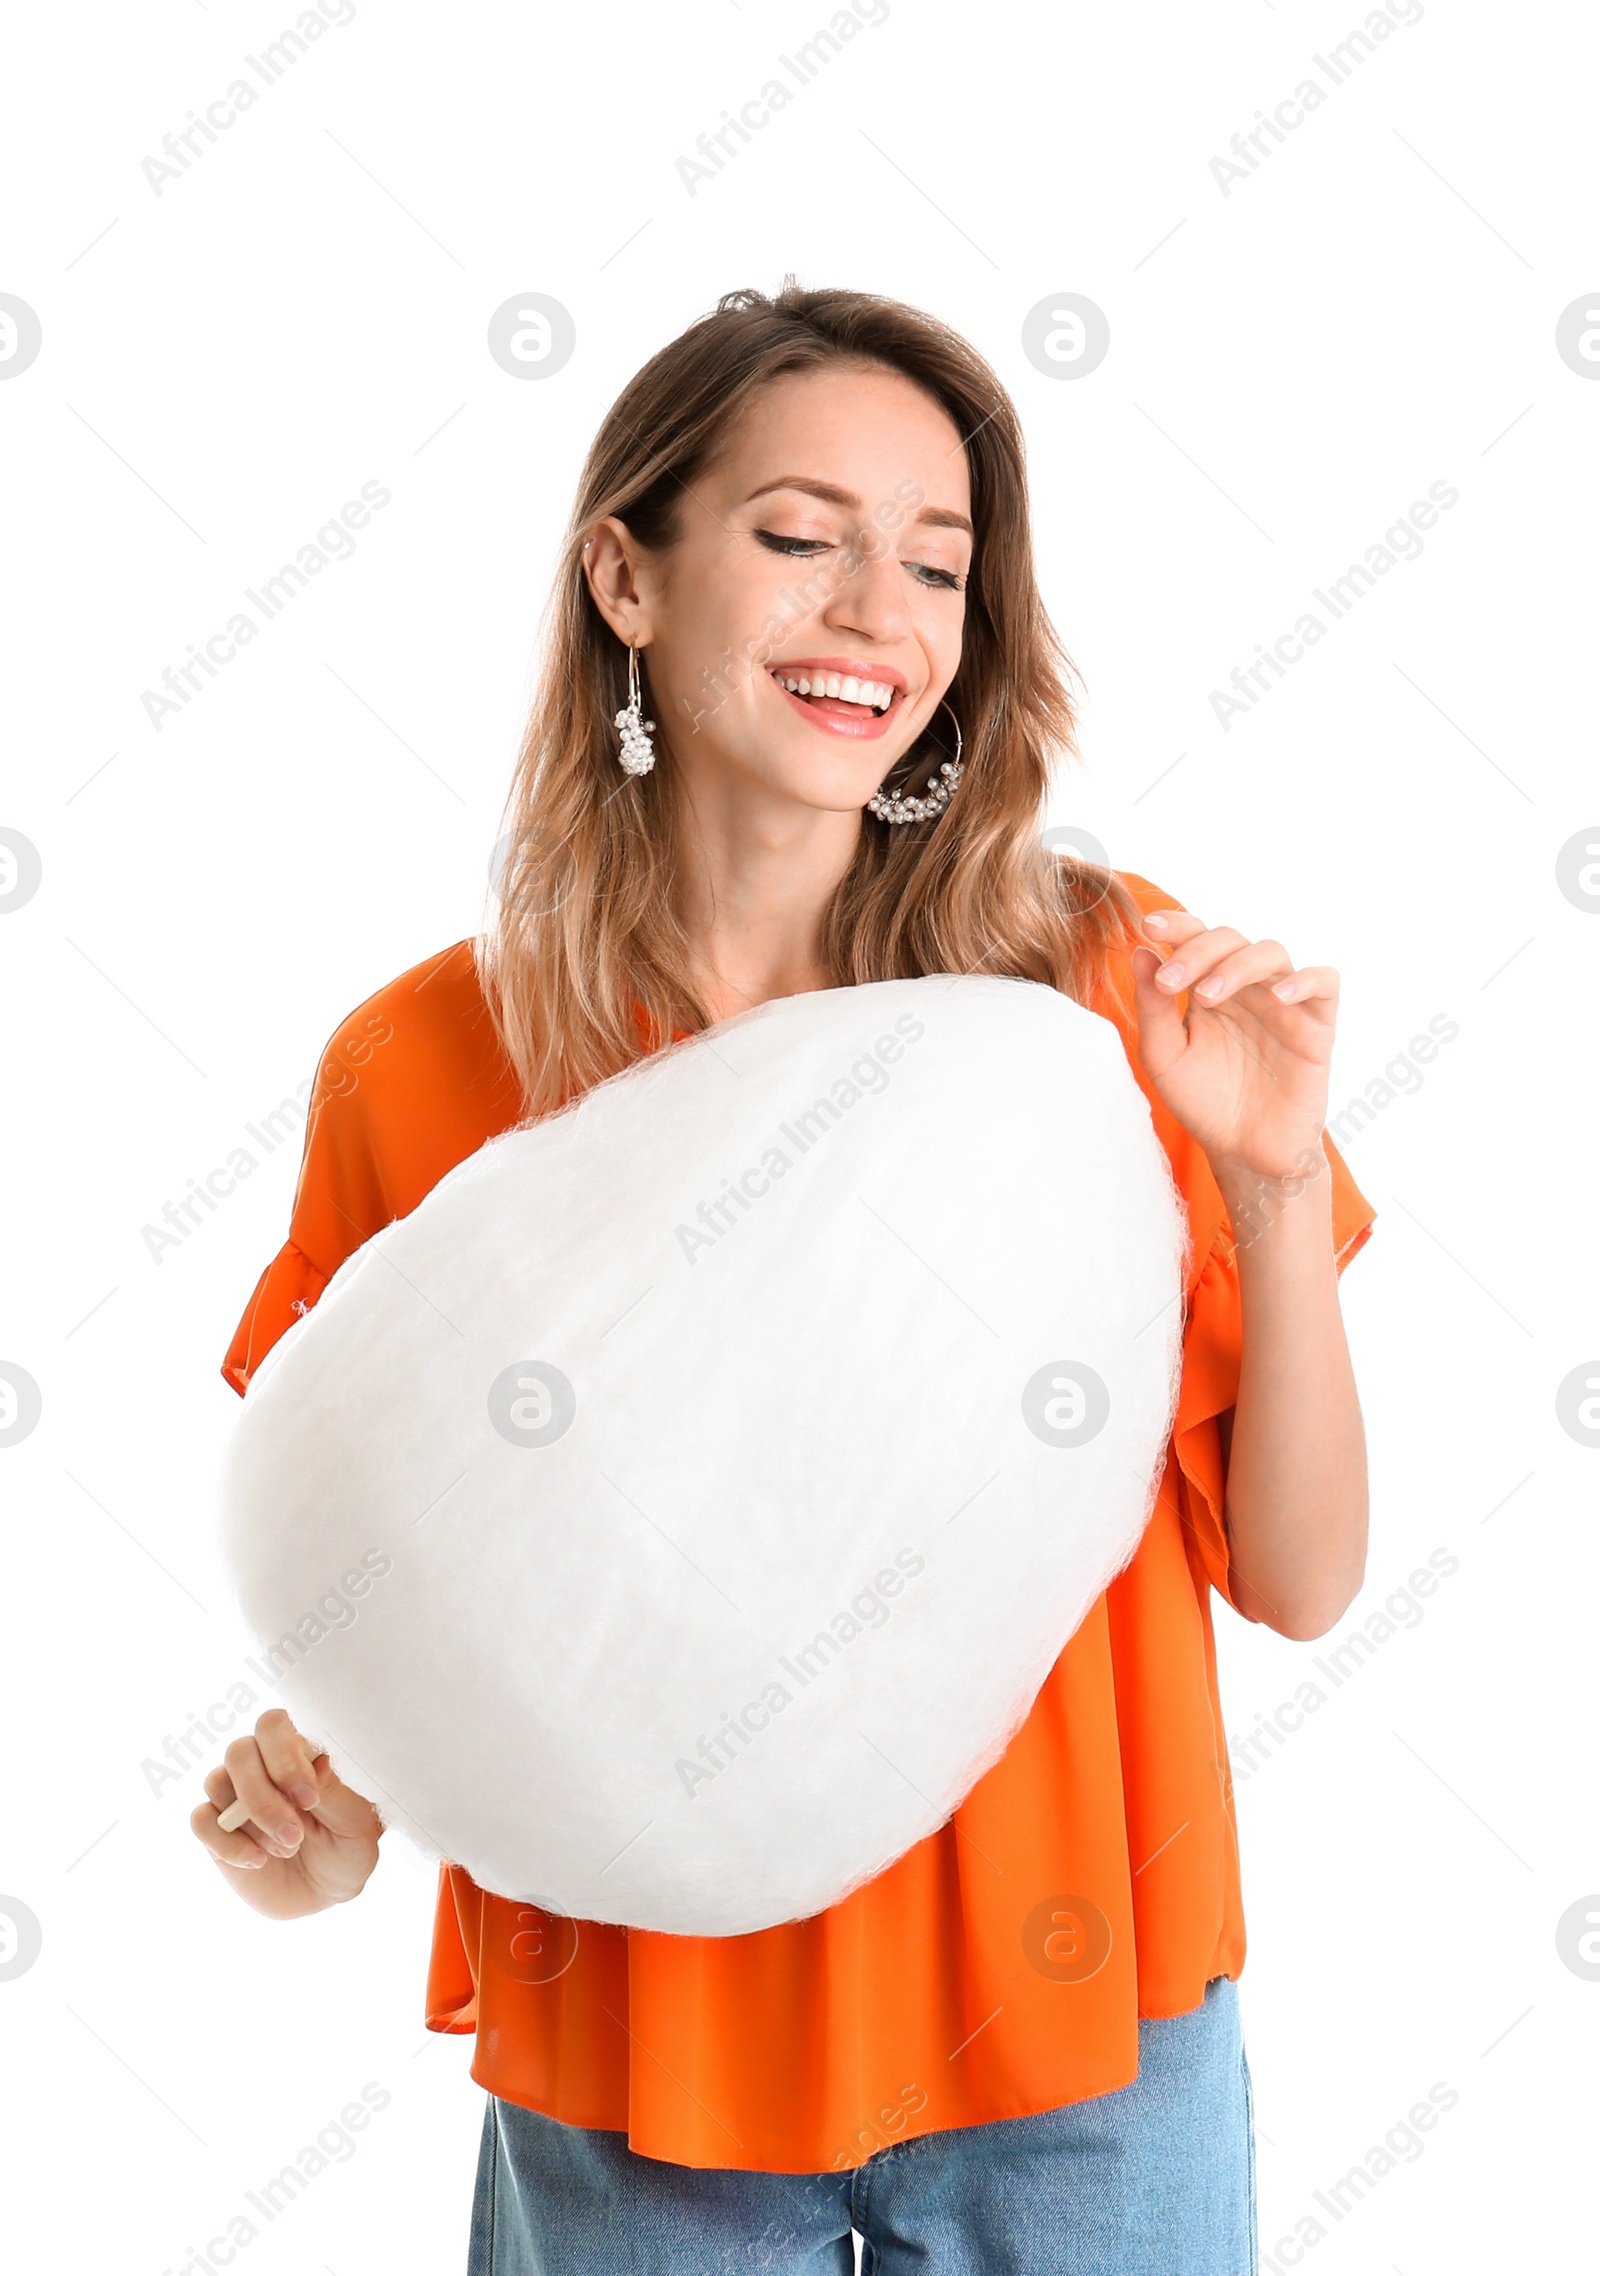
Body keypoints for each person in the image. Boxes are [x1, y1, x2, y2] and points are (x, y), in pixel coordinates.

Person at [193, 283, 1375, 2275]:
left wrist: (1266, 1184)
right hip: (638, 2062)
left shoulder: (1099, 990)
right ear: (624, 575)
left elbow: (1299, 1579)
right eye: (797, 534)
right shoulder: (423, 1068)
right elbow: (417, 1600)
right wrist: (311, 1818)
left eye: (935, 562)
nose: (876, 614)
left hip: (1079, 2048)